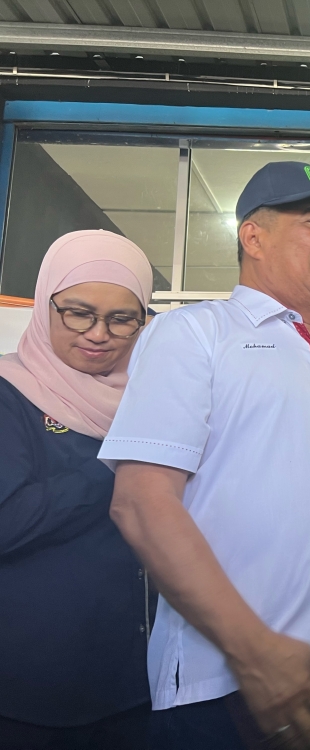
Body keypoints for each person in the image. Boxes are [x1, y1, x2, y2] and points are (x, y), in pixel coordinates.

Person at [98, 161, 310, 750]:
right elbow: (141, 503)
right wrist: (253, 648)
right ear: (253, 236)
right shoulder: (194, 335)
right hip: (229, 684)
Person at [0, 230, 154, 749]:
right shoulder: (10, 397)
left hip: (141, 683)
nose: (99, 333)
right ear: (46, 306)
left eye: (122, 318)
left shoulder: (151, 401)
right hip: (33, 690)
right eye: (78, 312)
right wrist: (114, 461)